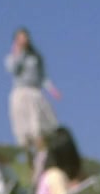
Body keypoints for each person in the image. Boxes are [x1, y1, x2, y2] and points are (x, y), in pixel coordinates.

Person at [5, 27, 62, 171]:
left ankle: (44, 165)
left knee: (40, 132)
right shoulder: (12, 57)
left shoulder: (36, 57)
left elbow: (43, 77)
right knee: (24, 136)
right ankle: (30, 168)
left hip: (35, 94)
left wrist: (52, 90)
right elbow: (13, 69)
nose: (24, 40)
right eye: (20, 38)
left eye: (25, 37)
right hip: (20, 95)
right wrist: (19, 53)